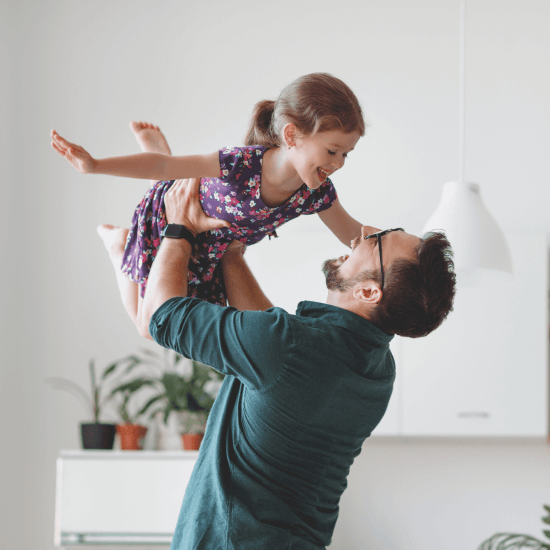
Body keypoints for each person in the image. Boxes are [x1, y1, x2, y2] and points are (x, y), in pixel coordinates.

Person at [132, 177, 456, 549]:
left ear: (369, 291)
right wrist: (232, 255)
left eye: (378, 239)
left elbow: (161, 316)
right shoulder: (377, 370)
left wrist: (179, 229)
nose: (363, 231)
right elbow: (274, 362)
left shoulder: (289, 346)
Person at [50, 72, 367, 337]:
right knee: (148, 327)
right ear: (291, 135)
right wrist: (94, 164)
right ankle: (119, 244)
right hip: (169, 223)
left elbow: (354, 233)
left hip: (208, 252)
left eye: (346, 154)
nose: (339, 163)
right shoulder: (240, 164)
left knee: (174, 324)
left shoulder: (315, 193)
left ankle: (162, 162)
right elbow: (161, 166)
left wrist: (412, 245)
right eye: (332, 151)